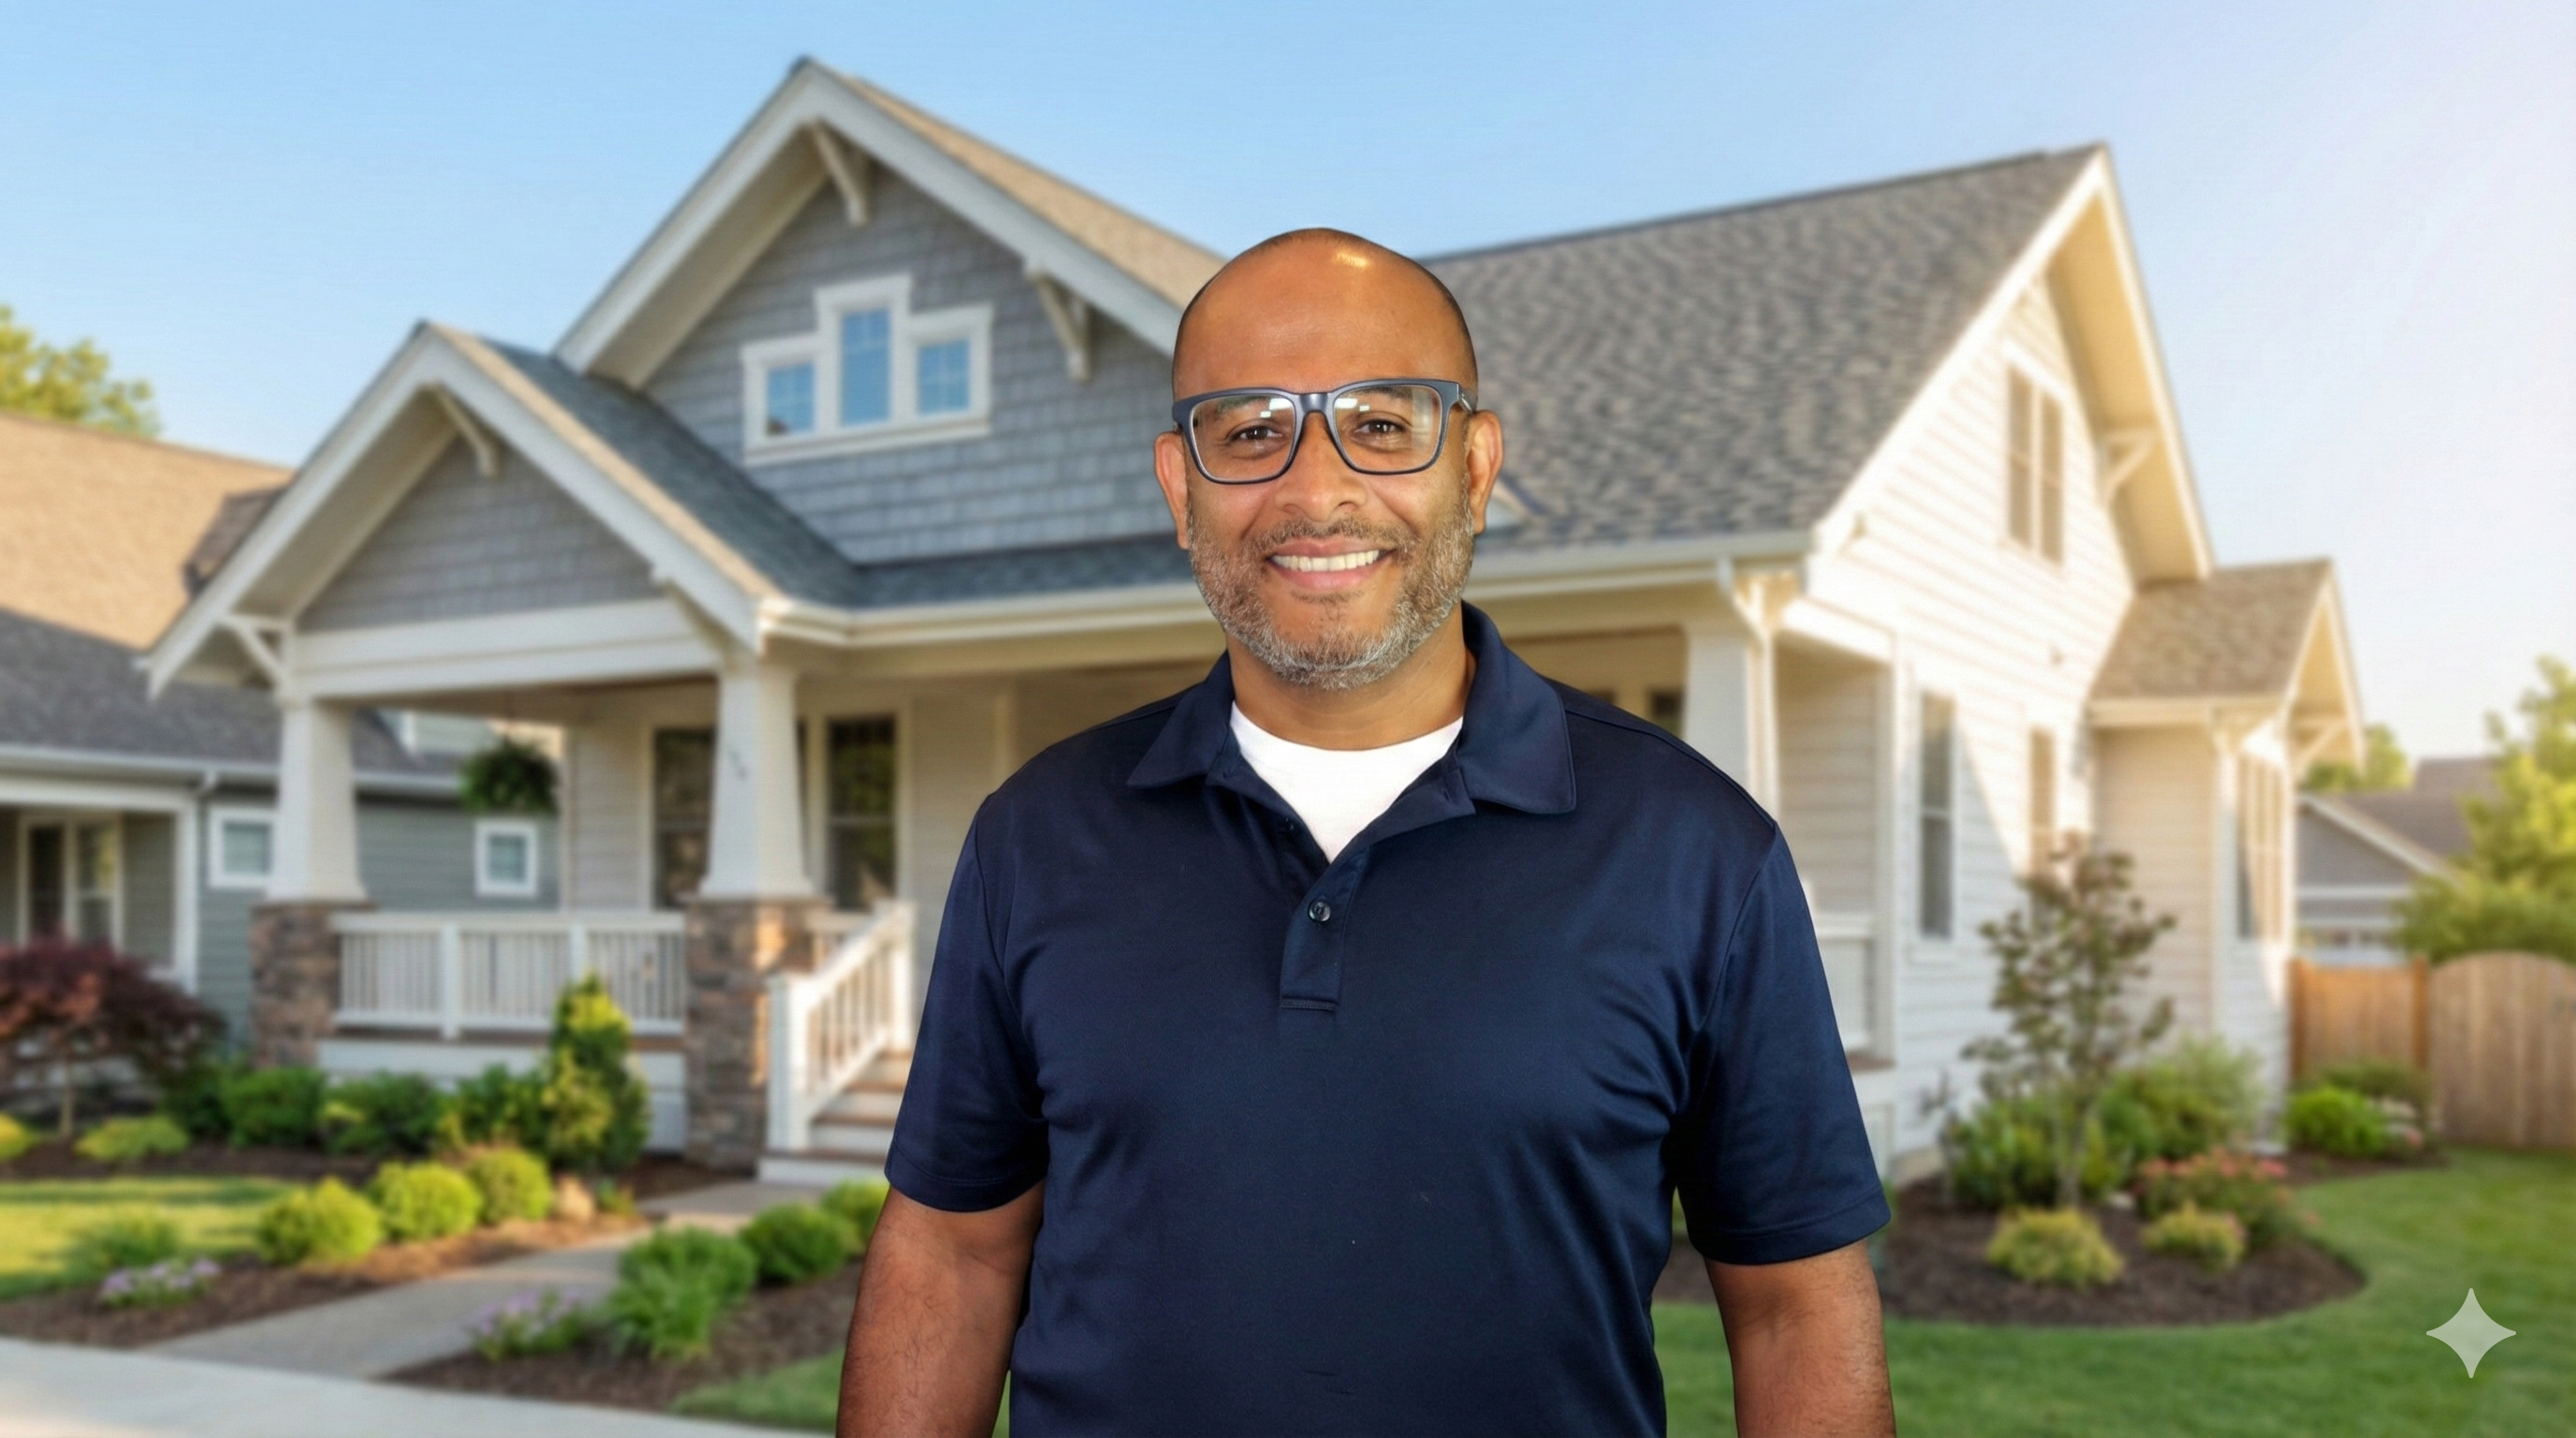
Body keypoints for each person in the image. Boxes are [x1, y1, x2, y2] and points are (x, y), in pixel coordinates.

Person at [839, 229, 1895, 1437]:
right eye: (1249, 432)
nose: (1314, 490)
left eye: (1384, 425)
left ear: (1478, 467)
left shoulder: (1698, 852)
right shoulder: (1035, 836)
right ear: (1180, 487)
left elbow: (1793, 1307)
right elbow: (953, 1256)